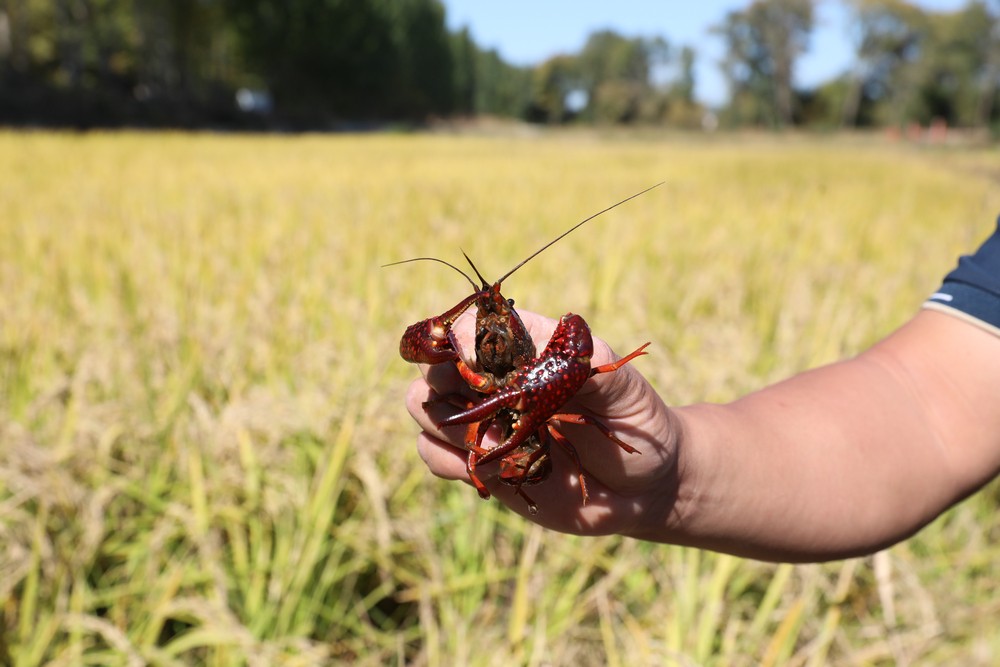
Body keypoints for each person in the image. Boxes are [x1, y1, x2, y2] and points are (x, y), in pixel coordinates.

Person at [405, 221, 1000, 563]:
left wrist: (543, 391)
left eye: (499, 309)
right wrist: (673, 473)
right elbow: (930, 404)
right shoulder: (475, 348)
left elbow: (933, 408)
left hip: (544, 430)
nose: (493, 318)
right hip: (521, 438)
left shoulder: (553, 355)